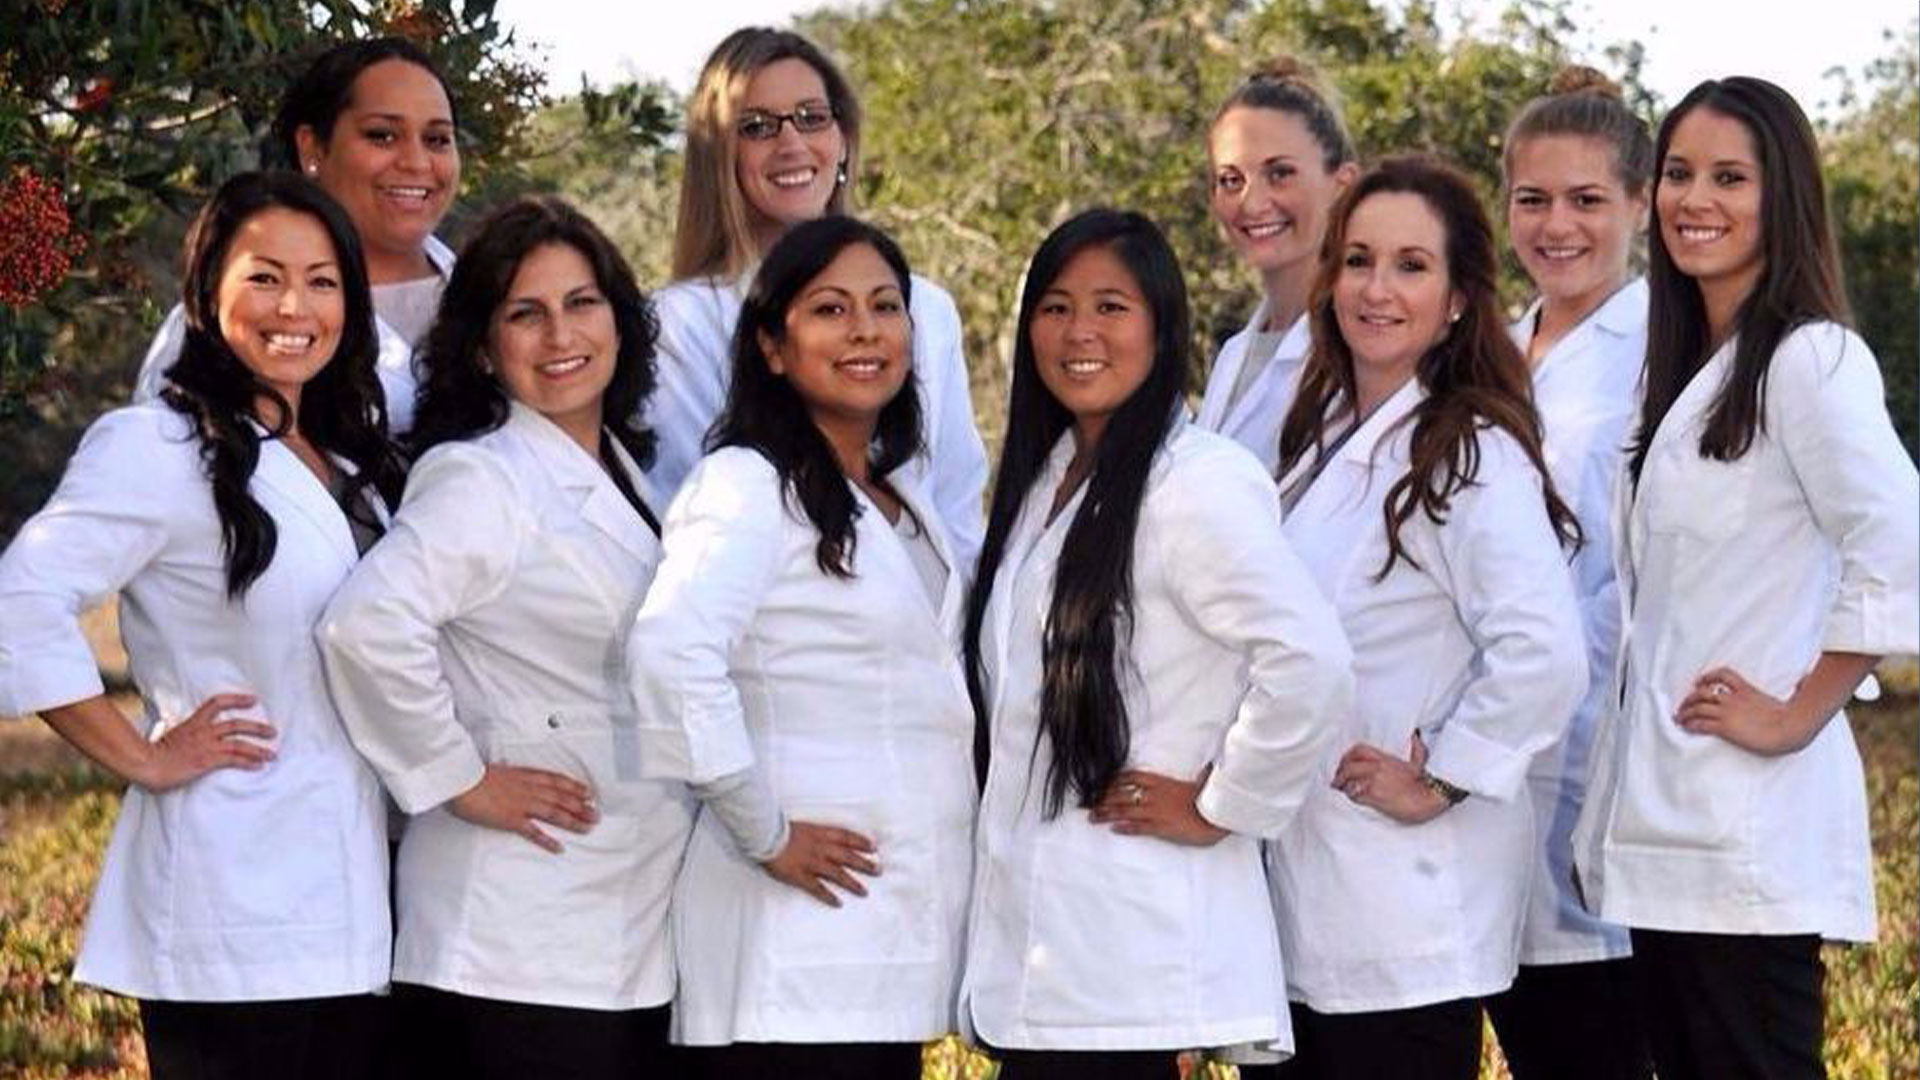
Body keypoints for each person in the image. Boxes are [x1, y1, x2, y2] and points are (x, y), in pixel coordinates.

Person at [0, 171, 406, 1079]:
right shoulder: (159, 445)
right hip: (235, 894)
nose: (294, 305)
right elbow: (20, 600)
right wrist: (142, 755)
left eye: (324, 280)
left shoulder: (351, 452)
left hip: (362, 895)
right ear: (207, 291)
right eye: (264, 276)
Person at [1572, 77, 1919, 1080]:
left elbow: (1898, 538)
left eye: (1731, 176)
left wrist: (1798, 710)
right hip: (1670, 832)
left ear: (1785, 199)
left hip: (1745, 836)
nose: (1695, 200)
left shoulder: (1811, 360)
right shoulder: (1688, 371)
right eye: (1679, 173)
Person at [959, 208, 1353, 1079]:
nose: (1080, 332)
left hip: (1133, 952)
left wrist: (1224, 805)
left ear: (1162, 326)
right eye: (1056, 308)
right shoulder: (1042, 483)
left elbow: (1309, 662)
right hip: (1047, 955)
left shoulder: (1197, 482)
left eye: (1111, 306)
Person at [315, 196, 694, 1079]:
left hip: (621, 920)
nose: (560, 332)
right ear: (486, 347)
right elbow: (365, 626)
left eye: (581, 302)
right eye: (526, 312)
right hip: (508, 934)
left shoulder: (638, 475)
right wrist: (458, 778)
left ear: (619, 321)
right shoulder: (481, 475)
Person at [626, 216, 976, 1079]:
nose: (865, 330)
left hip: (881, 943)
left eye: (885, 306)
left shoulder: (900, 497)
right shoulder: (746, 483)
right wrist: (765, 830)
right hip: (786, 945)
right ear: (773, 348)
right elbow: (672, 653)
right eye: (830, 309)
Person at [1261, 157, 1587, 1080]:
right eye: (1358, 260)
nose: (1376, 288)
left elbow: (1544, 653)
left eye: (1410, 265)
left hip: (1402, 904)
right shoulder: (1318, 442)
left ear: (1455, 300)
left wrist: (1442, 778)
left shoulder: (1467, 450)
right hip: (1305, 896)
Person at [649, 26, 987, 567]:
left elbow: (956, 505)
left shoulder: (926, 309)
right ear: (720, 155)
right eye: (756, 127)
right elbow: (687, 511)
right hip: (775, 632)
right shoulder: (677, 325)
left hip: (926, 627)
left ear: (844, 138)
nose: (792, 144)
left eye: (812, 117)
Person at [1481, 65, 1655, 1080]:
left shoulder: (1663, 355)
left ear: (1639, 203)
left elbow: (1643, 576)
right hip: (1488, 783)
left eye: (1588, 200)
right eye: (1533, 199)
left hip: (1600, 765)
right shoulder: (1489, 351)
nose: (1559, 226)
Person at [135, 36, 462, 433]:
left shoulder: (502, 295)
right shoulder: (218, 324)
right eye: (381, 135)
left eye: (437, 139)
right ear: (312, 149)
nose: (416, 162)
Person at [1196, 57, 1357, 473]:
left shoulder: (1364, 347)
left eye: (1280, 173)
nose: (1251, 203)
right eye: (1231, 180)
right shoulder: (1234, 354)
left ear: (1342, 184)